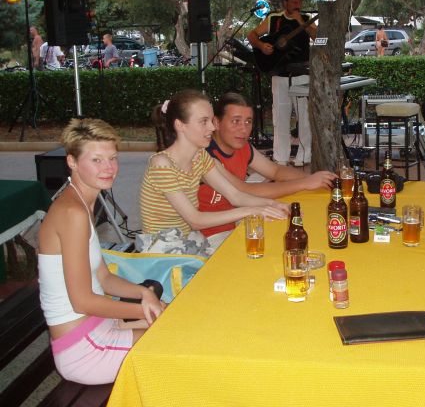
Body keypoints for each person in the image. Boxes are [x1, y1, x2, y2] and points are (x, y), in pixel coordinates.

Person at [38, 118, 164, 385]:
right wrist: (148, 310)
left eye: (113, 158)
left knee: (183, 326)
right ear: (72, 162)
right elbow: (82, 302)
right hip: (85, 350)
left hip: (99, 328)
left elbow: (104, 278)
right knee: (176, 346)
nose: (109, 168)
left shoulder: (82, 203)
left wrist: (144, 294)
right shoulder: (72, 213)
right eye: (96, 160)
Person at [140, 89, 289, 254]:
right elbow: (195, 220)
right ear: (180, 125)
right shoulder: (162, 164)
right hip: (162, 248)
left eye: (211, 120)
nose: (212, 127)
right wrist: (252, 211)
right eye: (204, 121)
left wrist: (274, 205)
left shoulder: (200, 157)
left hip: (186, 240)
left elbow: (235, 196)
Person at [198, 92, 336, 245]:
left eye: (248, 122)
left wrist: (317, 179)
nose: (244, 129)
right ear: (216, 123)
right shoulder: (205, 155)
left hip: (238, 223)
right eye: (236, 121)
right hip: (211, 236)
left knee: (306, 229)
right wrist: (305, 183)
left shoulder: (242, 146)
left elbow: (275, 171)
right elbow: (244, 191)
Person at [247, 0, 317, 167]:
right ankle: (281, 157)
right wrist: (261, 46)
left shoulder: (307, 19)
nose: (297, 3)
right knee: (280, 117)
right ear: (285, 2)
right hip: (279, 74)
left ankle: (305, 156)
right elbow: (252, 35)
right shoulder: (274, 18)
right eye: (293, 0)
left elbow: (318, 38)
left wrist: (300, 21)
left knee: (304, 117)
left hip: (301, 75)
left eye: (299, 0)